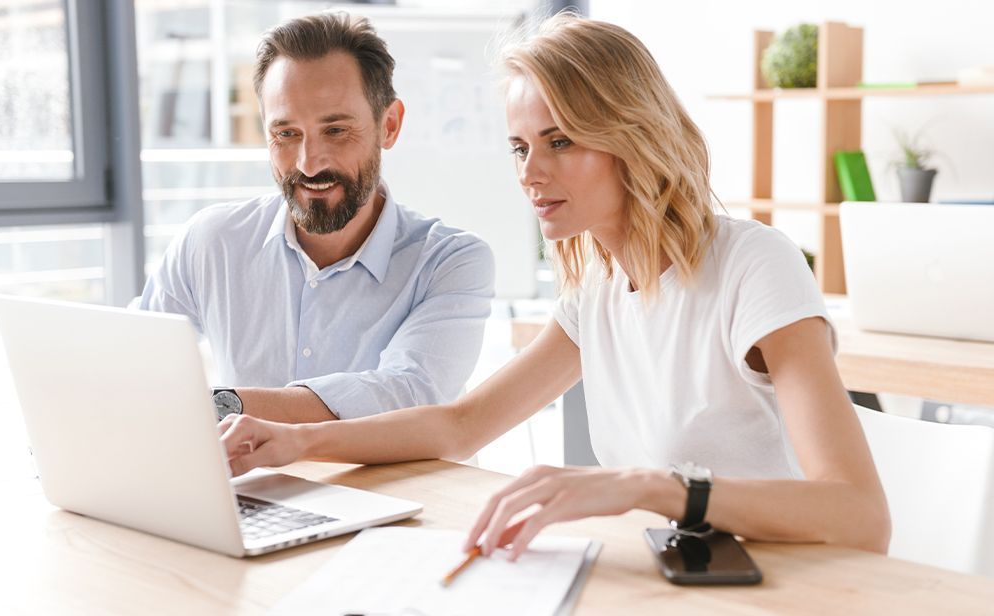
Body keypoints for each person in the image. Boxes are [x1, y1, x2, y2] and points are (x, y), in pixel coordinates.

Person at [219, 13, 891, 559]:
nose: (530, 172)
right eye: (519, 146)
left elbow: (861, 516)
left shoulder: (754, 265)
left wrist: (649, 489)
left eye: (561, 140)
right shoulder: (597, 288)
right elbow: (462, 425)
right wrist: (295, 441)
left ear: (631, 135)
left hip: (783, 588)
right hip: (677, 578)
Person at [137, 13, 495, 423]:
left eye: (336, 131)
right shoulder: (212, 241)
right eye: (286, 134)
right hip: (249, 488)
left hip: (388, 489)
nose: (308, 165)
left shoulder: (449, 262)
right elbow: (137, 360)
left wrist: (224, 405)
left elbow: (409, 393)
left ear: (389, 125)